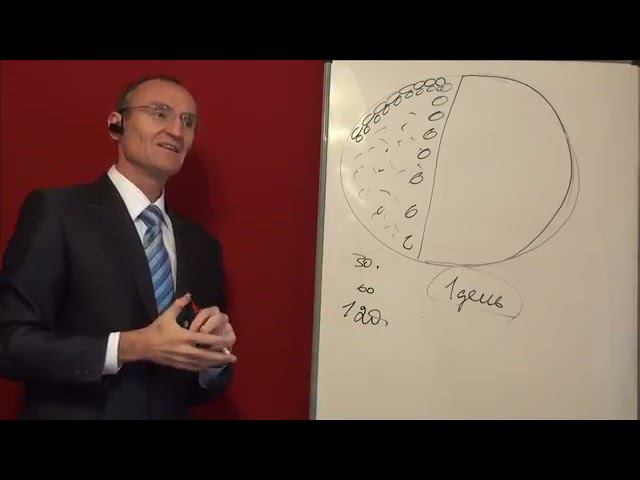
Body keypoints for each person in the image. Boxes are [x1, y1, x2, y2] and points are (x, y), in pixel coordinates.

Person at [0, 75, 237, 419]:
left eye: (188, 122)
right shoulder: (58, 213)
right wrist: (128, 346)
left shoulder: (203, 246)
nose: (176, 130)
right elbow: (9, 343)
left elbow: (197, 389)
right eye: (159, 113)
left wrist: (213, 358)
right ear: (116, 123)